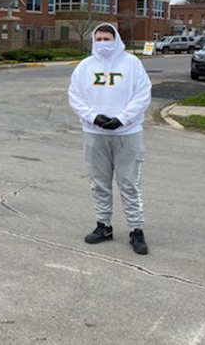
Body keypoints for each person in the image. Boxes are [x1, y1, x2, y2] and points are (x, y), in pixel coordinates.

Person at [68, 23, 152, 255]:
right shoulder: (85, 67)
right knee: (99, 182)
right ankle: (103, 224)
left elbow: (143, 94)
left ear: (116, 40)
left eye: (108, 38)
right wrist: (93, 117)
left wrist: (122, 119)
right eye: (99, 39)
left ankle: (136, 229)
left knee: (129, 183)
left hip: (127, 134)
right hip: (95, 134)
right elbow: (75, 97)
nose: (104, 43)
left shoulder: (132, 64)